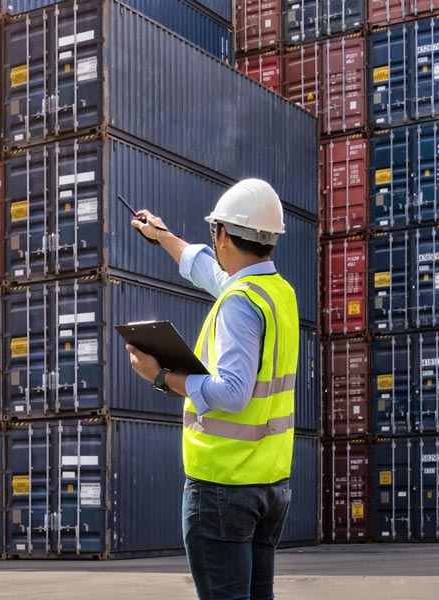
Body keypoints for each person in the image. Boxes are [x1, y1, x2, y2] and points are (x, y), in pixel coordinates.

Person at [125, 179, 298, 600]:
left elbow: (234, 392)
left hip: (224, 486)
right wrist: (163, 235)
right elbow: (210, 272)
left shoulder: (239, 301)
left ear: (222, 234)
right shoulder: (275, 293)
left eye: (215, 232)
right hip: (268, 485)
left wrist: (162, 377)